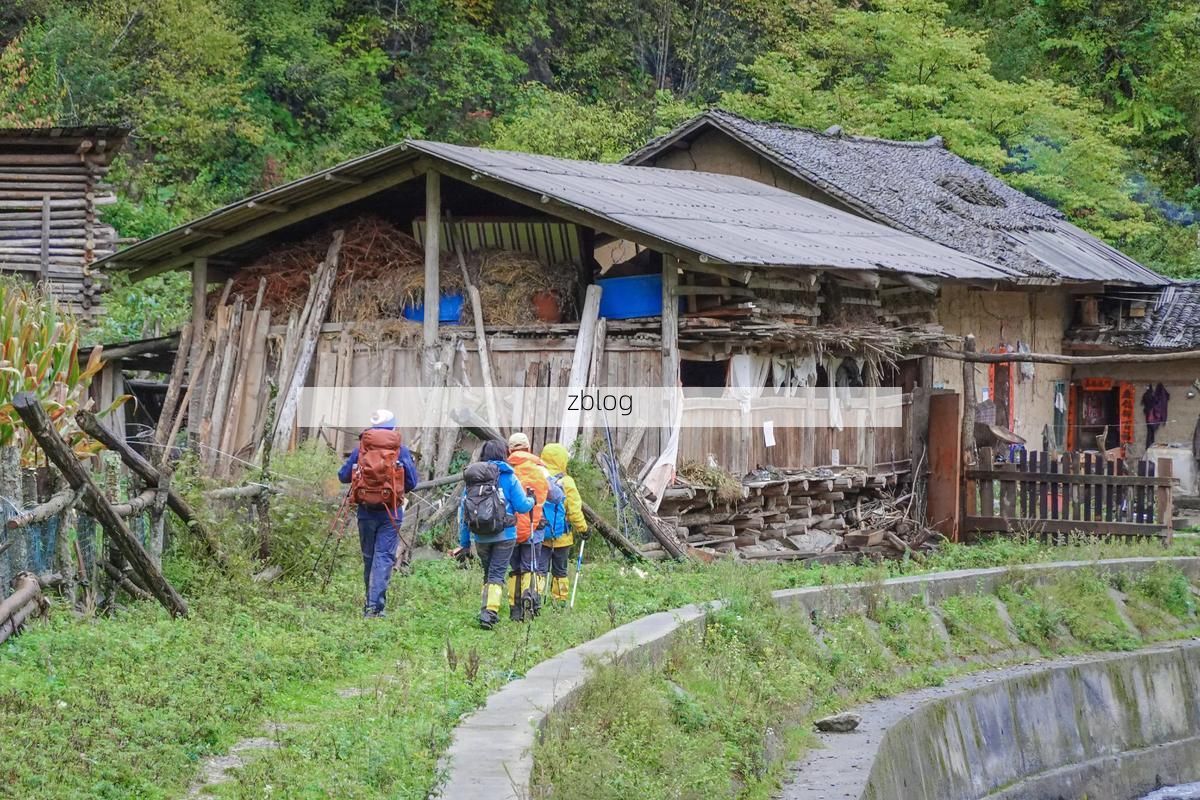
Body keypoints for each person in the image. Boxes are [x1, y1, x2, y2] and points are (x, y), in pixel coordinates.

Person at [338, 409, 417, 618]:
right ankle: (374, 607)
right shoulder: (401, 451)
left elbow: (343, 476)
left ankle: (369, 602)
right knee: (383, 557)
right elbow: (412, 482)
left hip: (365, 510)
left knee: (369, 557)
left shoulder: (361, 450)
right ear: (393, 428)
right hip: (390, 511)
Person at [456, 439, 535, 629]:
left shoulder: (473, 478)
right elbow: (522, 506)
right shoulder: (508, 476)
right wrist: (532, 500)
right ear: (504, 453)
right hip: (505, 535)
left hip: (480, 536)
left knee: (488, 573)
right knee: (497, 573)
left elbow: (463, 513)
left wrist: (465, 542)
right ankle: (489, 614)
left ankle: (487, 607)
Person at [505, 432, 551, 621]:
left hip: (512, 528)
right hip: (534, 528)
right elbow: (555, 495)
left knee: (515, 569)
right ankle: (530, 599)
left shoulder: (506, 469)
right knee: (531, 567)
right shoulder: (541, 470)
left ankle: (515, 608)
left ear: (510, 449)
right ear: (528, 448)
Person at [538, 443, 588, 604]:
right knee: (560, 571)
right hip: (563, 537)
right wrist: (583, 528)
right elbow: (574, 510)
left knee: (540, 570)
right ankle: (559, 602)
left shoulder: (538, 477)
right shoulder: (567, 482)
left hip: (540, 534)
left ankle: (535, 599)